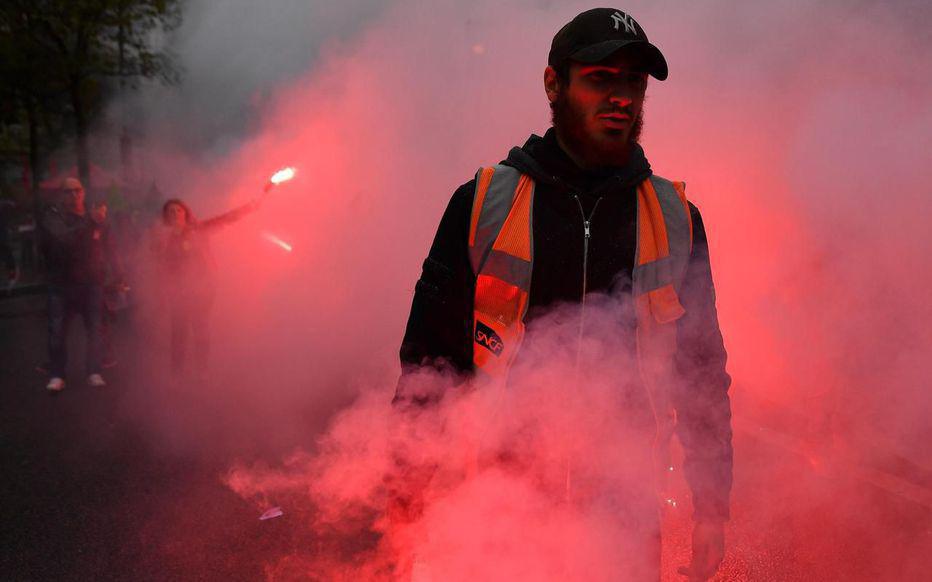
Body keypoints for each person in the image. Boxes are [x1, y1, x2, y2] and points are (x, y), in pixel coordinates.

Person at [395, 8, 732, 581]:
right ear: (554, 83)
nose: (622, 97)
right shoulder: (483, 203)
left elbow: (700, 371)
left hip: (626, 517)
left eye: (633, 81)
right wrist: (406, 502)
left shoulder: (676, 218)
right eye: (601, 78)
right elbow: (430, 364)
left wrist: (713, 506)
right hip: (498, 509)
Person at [151, 195, 262, 379]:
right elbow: (163, 267)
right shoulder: (166, 241)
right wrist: (164, 291)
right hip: (178, 291)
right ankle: (177, 373)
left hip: (202, 288)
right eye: (171, 211)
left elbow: (226, 219)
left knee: (200, 328)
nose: (175, 213)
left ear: (186, 213)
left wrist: (249, 207)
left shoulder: (199, 229)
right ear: (167, 218)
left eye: (178, 210)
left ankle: (201, 370)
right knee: (178, 332)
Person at [39, 178, 122, 391]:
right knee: (57, 330)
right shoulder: (53, 216)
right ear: (62, 195)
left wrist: (119, 274)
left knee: (95, 329)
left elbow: (110, 247)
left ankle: (94, 371)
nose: (74, 195)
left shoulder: (96, 217)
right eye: (68, 192)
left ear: (83, 193)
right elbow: (65, 240)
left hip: (91, 282)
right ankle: (57, 374)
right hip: (61, 283)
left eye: (78, 190)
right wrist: (91, 222)